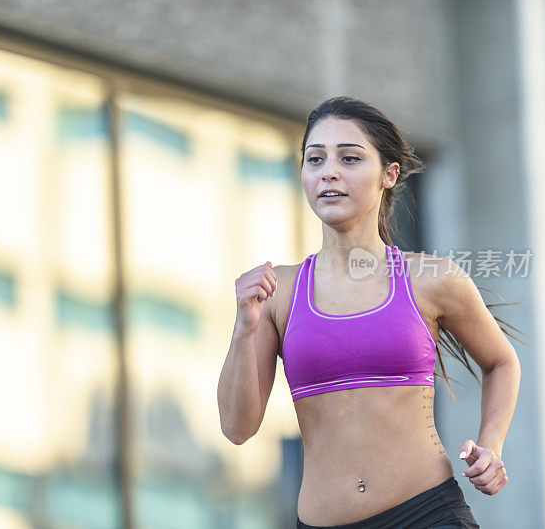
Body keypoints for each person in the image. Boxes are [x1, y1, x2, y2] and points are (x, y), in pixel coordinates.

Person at [217, 96, 523, 528]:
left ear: (389, 174)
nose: (329, 171)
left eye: (350, 158)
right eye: (315, 159)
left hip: (429, 514)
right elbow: (237, 428)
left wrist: (492, 445)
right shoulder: (276, 293)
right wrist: (243, 330)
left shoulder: (431, 278)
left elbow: (501, 361)